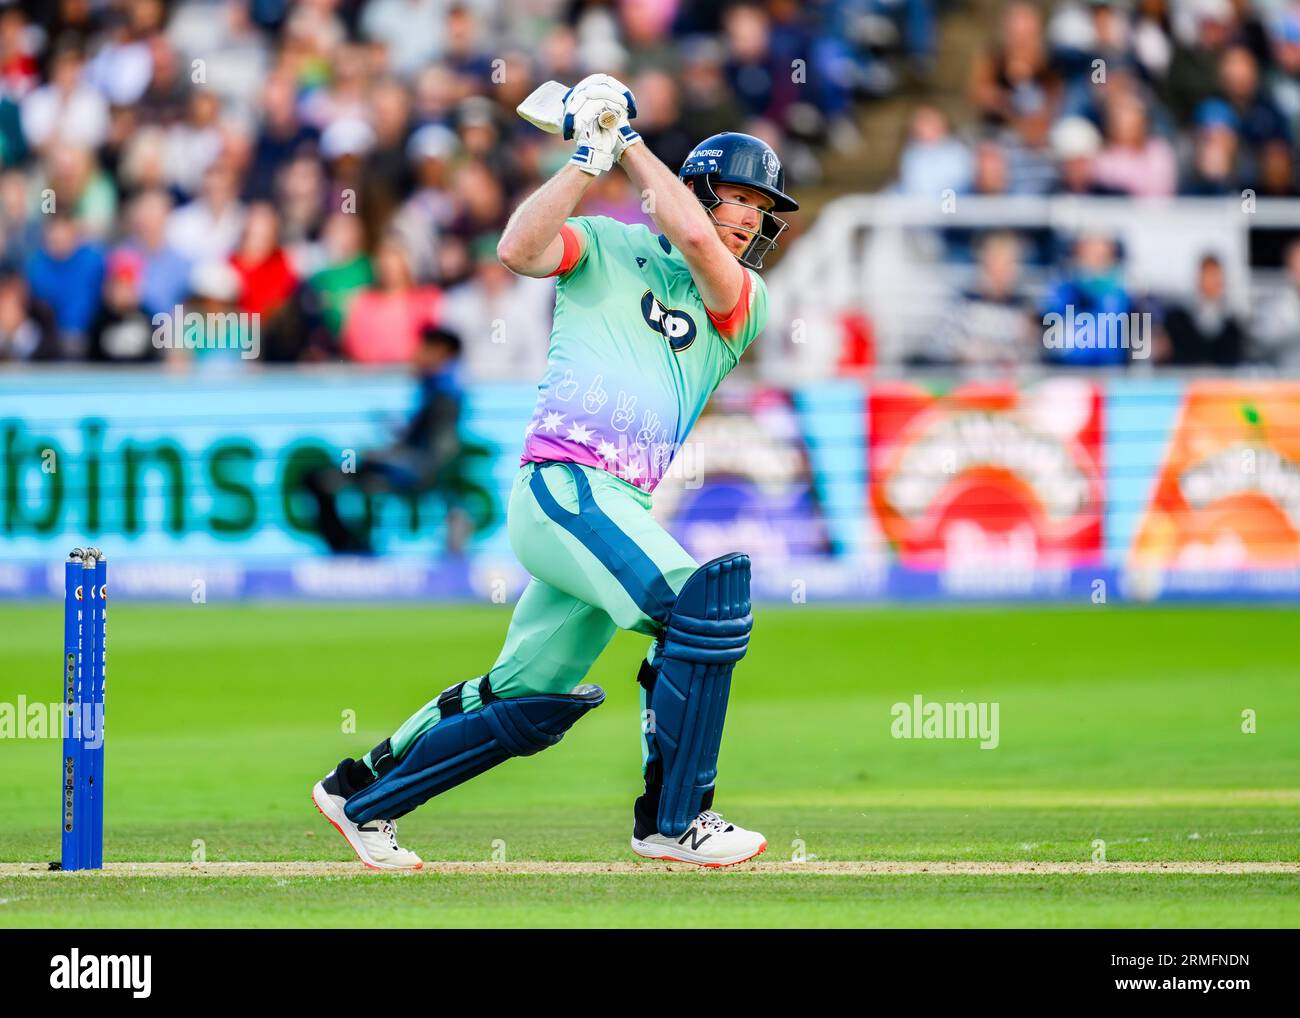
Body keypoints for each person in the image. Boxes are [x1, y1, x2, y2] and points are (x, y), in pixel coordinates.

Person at [311, 74, 795, 870]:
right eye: (739, 198)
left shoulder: (746, 296)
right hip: (565, 487)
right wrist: (587, 155)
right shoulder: (605, 241)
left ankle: (359, 791)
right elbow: (517, 248)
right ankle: (672, 820)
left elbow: (702, 248)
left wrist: (629, 143)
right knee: (700, 613)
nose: (750, 219)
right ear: (698, 188)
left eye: (763, 209)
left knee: (524, 697)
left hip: (617, 506)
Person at [302, 325, 466, 554]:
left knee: (319, 480)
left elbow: (432, 457)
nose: (415, 355)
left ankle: (348, 549)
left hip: (410, 474)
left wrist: (379, 456)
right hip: (407, 468)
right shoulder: (437, 390)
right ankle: (351, 547)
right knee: (325, 477)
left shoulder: (444, 395)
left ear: (439, 352)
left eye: (423, 348)